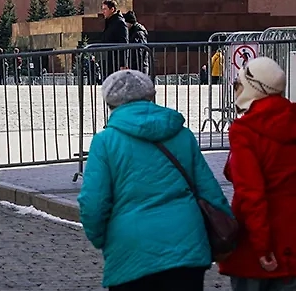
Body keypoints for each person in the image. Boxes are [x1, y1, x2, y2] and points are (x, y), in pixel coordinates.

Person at [78, 69, 231, 290]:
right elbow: (209, 190)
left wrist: (103, 238)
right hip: (186, 246)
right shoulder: (181, 134)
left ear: (110, 104)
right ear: (151, 96)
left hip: (131, 247)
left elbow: (92, 203)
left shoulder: (105, 142)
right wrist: (226, 231)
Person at [218, 57, 296, 290]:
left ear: (253, 87)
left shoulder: (245, 131)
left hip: (259, 242)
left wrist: (262, 246)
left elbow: (250, 194)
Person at [100, 0, 130, 75]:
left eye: (105, 9)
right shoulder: (109, 22)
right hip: (108, 60)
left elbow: (124, 43)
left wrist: (123, 64)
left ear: (112, 9)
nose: (103, 11)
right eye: (102, 9)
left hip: (115, 62)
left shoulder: (119, 23)